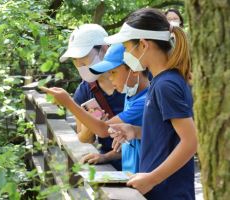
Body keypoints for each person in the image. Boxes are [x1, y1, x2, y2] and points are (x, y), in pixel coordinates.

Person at [105, 8, 197, 199]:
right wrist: (135, 131)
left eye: (127, 47)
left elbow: (190, 141)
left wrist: (151, 179)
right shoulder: (161, 81)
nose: (126, 55)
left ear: (144, 45)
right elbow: (170, 135)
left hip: (168, 193)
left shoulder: (166, 85)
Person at [40, 43, 150, 173]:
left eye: (113, 72)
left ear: (134, 70)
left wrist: (68, 103)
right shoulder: (131, 96)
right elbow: (132, 144)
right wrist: (105, 157)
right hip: (131, 176)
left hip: (145, 181)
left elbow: (104, 130)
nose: (110, 77)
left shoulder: (145, 102)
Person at [59, 24, 125, 170]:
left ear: (104, 49)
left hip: (143, 164)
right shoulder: (84, 91)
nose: (80, 66)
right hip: (110, 167)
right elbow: (83, 137)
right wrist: (92, 124)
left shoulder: (133, 78)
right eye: (76, 62)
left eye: (84, 60)